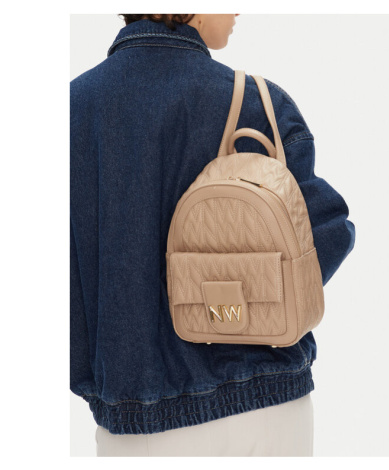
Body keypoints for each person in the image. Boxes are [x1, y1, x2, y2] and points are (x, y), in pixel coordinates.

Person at [70, 14, 356, 457]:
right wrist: (247, 294)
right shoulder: (256, 103)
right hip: (265, 407)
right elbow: (330, 231)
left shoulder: (70, 108)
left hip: (128, 429)